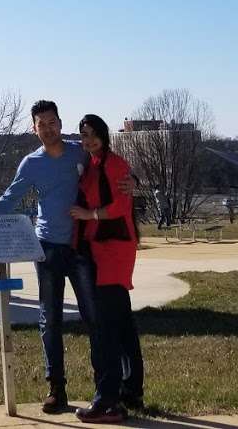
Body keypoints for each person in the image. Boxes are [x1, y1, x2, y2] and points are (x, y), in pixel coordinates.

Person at [0, 100, 101, 415]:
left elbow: (108, 169)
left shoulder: (80, 153)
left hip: (79, 246)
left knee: (93, 316)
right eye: (41, 124)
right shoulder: (31, 163)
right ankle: (56, 390)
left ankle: (105, 391)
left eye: (52, 122)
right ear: (34, 129)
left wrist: (132, 183)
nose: (47, 129)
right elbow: (10, 198)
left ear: (61, 123)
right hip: (47, 247)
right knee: (50, 319)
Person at [70, 114, 144, 425]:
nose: (88, 140)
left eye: (92, 134)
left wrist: (89, 214)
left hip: (111, 251)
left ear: (103, 135)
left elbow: (121, 207)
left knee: (106, 329)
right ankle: (131, 389)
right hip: (98, 249)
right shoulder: (92, 163)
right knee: (121, 322)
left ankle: (108, 401)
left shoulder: (113, 163)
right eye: (83, 135)